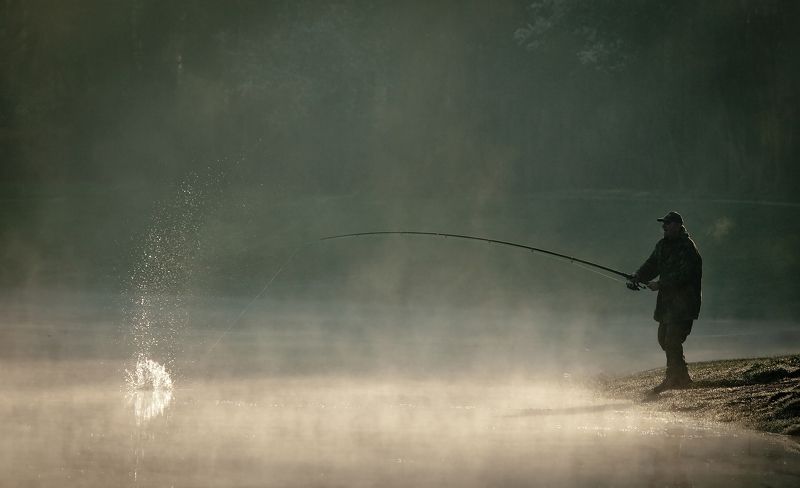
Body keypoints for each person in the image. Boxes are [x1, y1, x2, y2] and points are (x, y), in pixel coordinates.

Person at [628, 211, 703, 394]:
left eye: (667, 224)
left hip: (685, 304)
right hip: (667, 304)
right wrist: (638, 275)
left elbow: (685, 275)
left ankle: (673, 379)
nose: (664, 227)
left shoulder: (687, 248)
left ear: (677, 226)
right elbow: (651, 265)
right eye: (664, 224)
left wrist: (660, 284)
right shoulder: (662, 245)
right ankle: (681, 377)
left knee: (672, 340)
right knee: (663, 339)